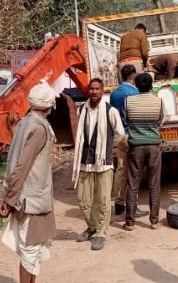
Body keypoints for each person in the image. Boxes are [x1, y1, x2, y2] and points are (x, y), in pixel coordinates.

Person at [0, 80, 58, 283]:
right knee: (30, 251)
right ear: (49, 105)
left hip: (23, 197)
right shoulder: (39, 128)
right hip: (30, 200)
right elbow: (22, 166)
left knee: (32, 252)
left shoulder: (26, 122)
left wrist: (8, 196)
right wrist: (9, 199)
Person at [72, 78, 126, 251]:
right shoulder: (82, 110)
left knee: (103, 200)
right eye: (91, 89)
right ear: (88, 91)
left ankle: (101, 234)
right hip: (85, 161)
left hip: (103, 163)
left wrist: (107, 148)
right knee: (83, 200)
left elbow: (119, 134)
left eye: (97, 89)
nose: (94, 92)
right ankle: (93, 226)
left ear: (102, 91)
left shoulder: (111, 111)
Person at [123, 73, 165, 231]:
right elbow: (161, 121)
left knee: (133, 183)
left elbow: (127, 119)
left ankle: (130, 222)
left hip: (135, 146)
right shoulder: (158, 101)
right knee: (154, 184)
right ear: (151, 85)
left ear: (136, 85)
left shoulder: (128, 101)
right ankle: (154, 221)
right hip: (153, 145)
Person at [108, 65, 138, 216]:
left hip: (119, 135)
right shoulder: (134, 92)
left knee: (120, 169)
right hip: (132, 134)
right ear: (133, 76)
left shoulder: (114, 94)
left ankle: (119, 202)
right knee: (133, 171)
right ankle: (133, 205)